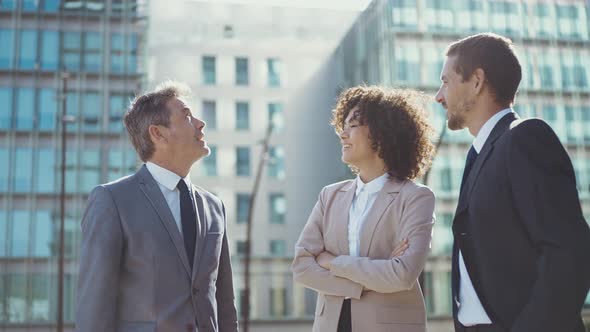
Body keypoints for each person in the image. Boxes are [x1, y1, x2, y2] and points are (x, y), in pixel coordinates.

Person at [435, 33, 590, 332]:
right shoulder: (478, 154)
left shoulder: (524, 138)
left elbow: (569, 251)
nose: (439, 96)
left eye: (445, 81)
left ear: (477, 81)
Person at [76, 81, 238, 332]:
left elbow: (224, 302)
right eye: (187, 116)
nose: (200, 123)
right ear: (158, 133)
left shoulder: (214, 207)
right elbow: (94, 305)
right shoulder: (112, 200)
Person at [292, 86, 436, 332]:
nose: (343, 134)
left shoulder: (416, 198)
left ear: (383, 133)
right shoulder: (330, 195)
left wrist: (332, 261)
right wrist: (369, 279)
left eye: (353, 125)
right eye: (343, 126)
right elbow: (302, 268)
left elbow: (401, 275)